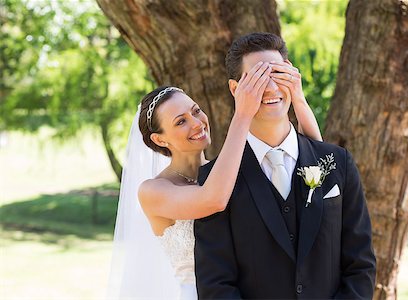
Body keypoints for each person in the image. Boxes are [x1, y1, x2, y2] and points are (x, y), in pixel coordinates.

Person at [107, 60, 322, 298]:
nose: (197, 123)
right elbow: (213, 200)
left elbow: (311, 156)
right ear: (160, 140)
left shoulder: (222, 173)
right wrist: (243, 113)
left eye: (196, 111)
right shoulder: (153, 191)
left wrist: (298, 98)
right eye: (181, 121)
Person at [194, 32, 377, 299]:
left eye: (278, 74)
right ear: (235, 90)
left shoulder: (339, 162)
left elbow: (361, 267)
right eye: (257, 78)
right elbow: (215, 285)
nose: (271, 88)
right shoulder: (213, 182)